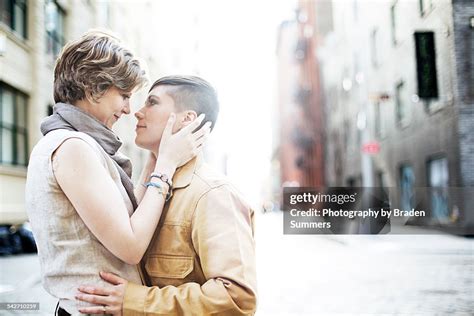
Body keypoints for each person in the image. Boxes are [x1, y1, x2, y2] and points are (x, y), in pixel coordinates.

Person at [25, 32, 210, 316]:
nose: (127, 109)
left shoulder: (75, 142)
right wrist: (166, 166)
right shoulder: (73, 146)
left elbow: (122, 219)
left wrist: (154, 159)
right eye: (124, 95)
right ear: (92, 87)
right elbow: (131, 246)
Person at [76, 76, 257, 315]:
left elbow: (236, 297)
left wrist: (134, 301)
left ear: (187, 120)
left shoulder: (213, 194)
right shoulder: (153, 188)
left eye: (152, 102)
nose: (137, 112)